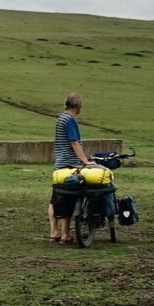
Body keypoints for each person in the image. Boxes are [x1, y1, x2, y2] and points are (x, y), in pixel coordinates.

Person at [49, 93, 87, 244]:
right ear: (78, 105)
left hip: (59, 164)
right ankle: (65, 234)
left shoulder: (60, 118)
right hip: (70, 165)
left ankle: (53, 231)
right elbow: (74, 143)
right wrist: (85, 161)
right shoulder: (70, 120)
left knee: (55, 198)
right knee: (70, 197)